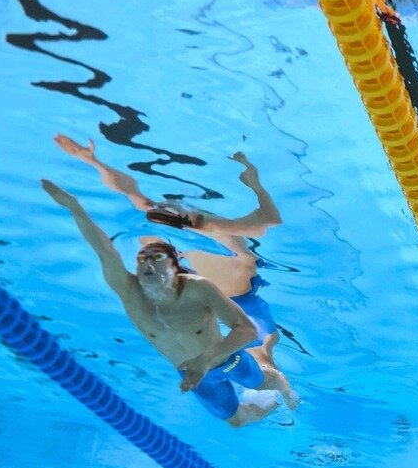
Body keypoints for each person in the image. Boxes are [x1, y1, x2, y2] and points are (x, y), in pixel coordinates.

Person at [41, 180, 297, 427]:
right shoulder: (129, 291)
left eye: (157, 256)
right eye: (142, 258)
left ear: (176, 267)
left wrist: (205, 360)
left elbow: (247, 330)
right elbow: (104, 250)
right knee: (236, 421)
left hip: (225, 360)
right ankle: (265, 408)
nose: (148, 263)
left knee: (264, 382)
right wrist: (75, 208)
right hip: (193, 375)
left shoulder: (198, 288)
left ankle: (285, 389)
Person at [54, 134, 284, 345]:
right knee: (262, 347)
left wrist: (94, 162)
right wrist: (255, 183)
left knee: (255, 347)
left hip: (207, 295)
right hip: (231, 293)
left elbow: (129, 191)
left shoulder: (167, 226)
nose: (164, 205)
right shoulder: (211, 227)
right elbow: (270, 221)